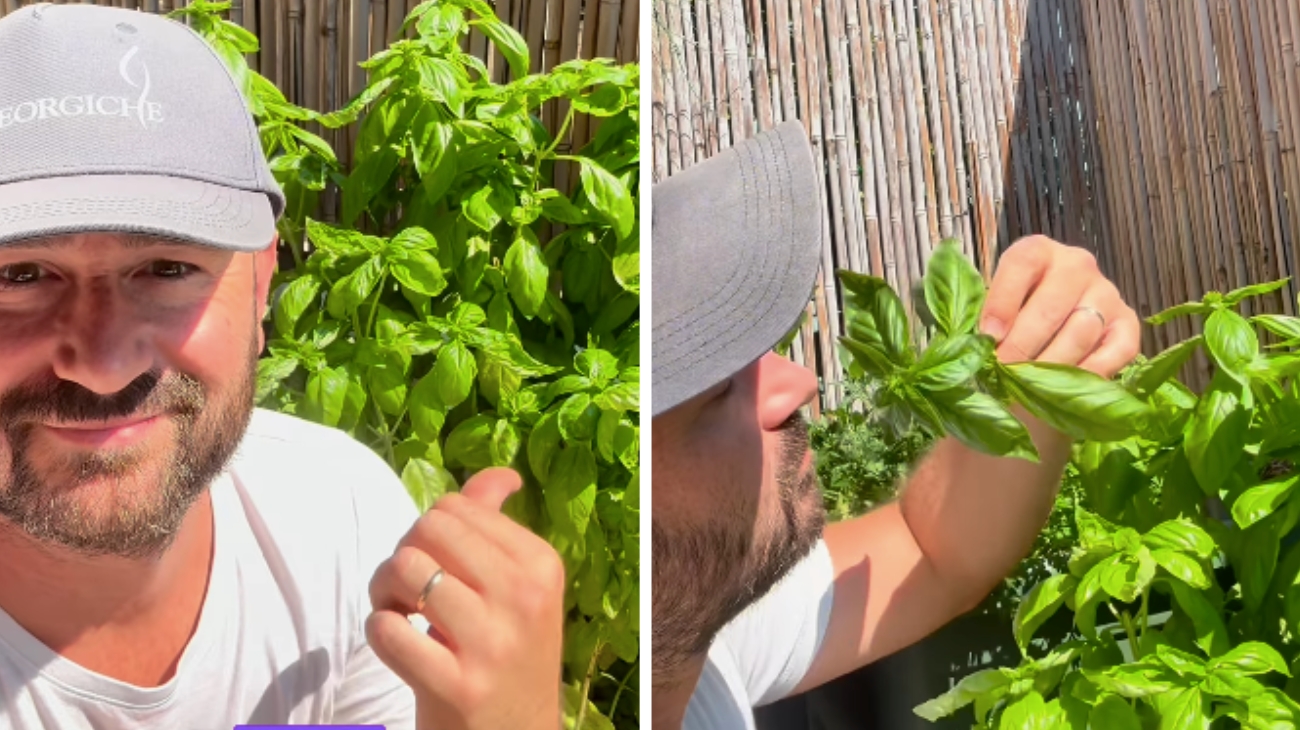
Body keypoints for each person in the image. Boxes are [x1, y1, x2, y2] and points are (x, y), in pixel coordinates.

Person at [0, 5, 562, 729]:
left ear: (262, 285)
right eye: (18, 277)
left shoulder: (337, 513)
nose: (104, 366)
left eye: (168, 268)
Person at [650, 121, 1142, 729]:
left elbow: (929, 551)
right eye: (720, 387)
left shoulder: (700, 648)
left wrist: (1036, 373)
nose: (799, 383)